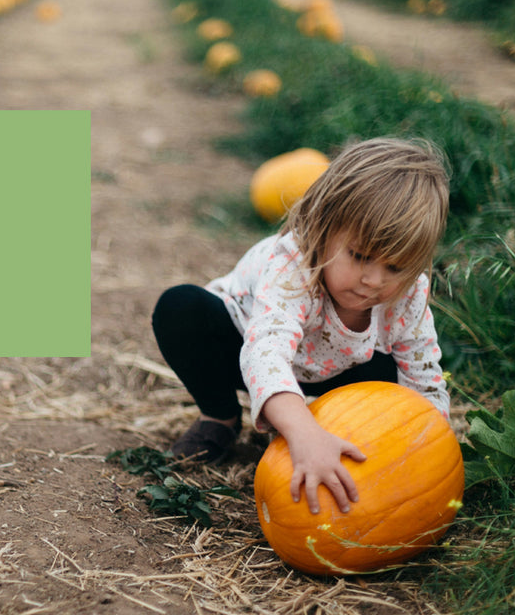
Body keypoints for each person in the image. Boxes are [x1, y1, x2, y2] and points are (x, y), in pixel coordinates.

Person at [151, 137, 450, 515]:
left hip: (335, 367)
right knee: (181, 308)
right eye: (359, 256)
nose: (374, 280)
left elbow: (425, 384)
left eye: (395, 267)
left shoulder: (409, 294)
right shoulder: (294, 267)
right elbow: (265, 354)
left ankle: (335, 431)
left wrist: (429, 455)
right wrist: (303, 433)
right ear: (323, 228)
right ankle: (220, 416)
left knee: (392, 379)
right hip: (243, 349)